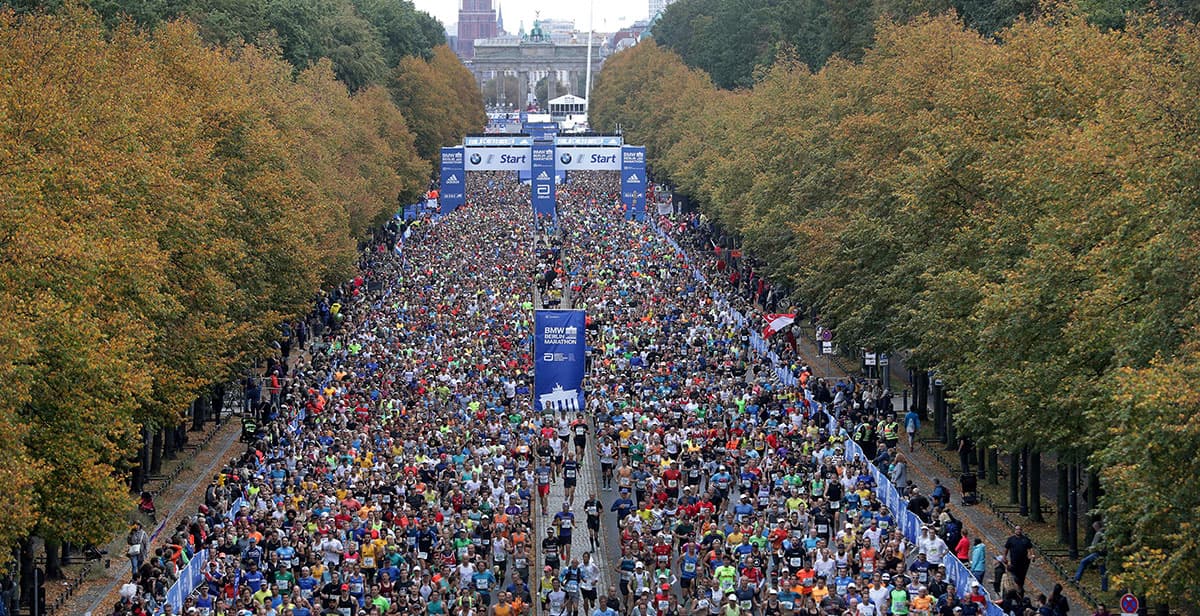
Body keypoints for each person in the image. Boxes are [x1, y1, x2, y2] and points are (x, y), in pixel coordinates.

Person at [1072, 522, 1106, 590]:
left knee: (1083, 562)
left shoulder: (1098, 534)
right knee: (1103, 571)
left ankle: (1076, 578)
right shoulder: (1105, 533)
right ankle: (1104, 587)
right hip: (1104, 554)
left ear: (1096, 527)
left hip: (1097, 554)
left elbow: (1094, 545)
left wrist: (1090, 549)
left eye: (1094, 528)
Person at [1002, 526, 1035, 591]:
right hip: (1014, 561)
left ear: (1021, 530)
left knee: (1022, 575)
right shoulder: (1011, 539)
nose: (1018, 531)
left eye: (1019, 529)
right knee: (1015, 574)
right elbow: (1006, 548)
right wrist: (1004, 557)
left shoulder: (1025, 539)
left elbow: (1030, 548)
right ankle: (1017, 586)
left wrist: (1032, 555)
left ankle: (1020, 587)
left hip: (1024, 562)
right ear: (1015, 530)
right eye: (1017, 529)